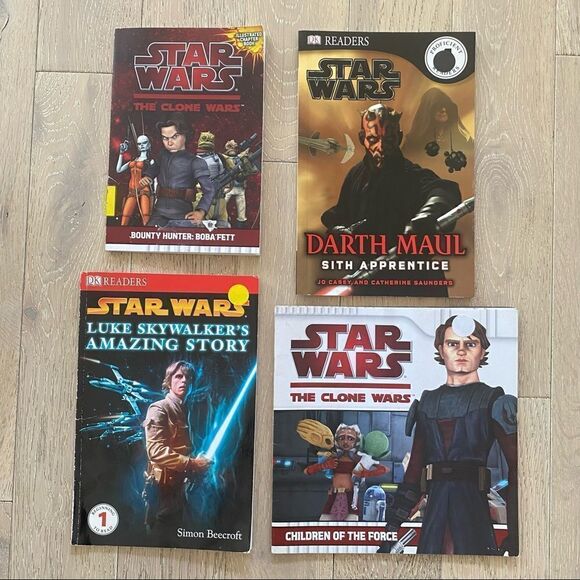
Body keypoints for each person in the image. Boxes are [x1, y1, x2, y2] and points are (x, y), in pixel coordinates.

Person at [378, 316, 518, 555]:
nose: (461, 351)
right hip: (436, 510)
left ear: (482, 351)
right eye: (453, 344)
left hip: (472, 508)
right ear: (441, 350)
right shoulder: (427, 403)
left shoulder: (494, 400)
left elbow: (518, 470)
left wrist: (516, 534)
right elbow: (414, 474)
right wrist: (392, 527)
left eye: (470, 344)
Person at [320, 104, 462, 296]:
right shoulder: (356, 175)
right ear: (362, 139)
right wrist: (338, 230)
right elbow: (340, 214)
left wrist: (428, 214)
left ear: (399, 138)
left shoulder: (411, 175)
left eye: (388, 139)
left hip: (413, 282)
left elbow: (442, 191)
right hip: (369, 281)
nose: (381, 147)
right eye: (373, 139)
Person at [143, 361, 211, 537]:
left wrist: (199, 461)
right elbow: (155, 450)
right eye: (178, 376)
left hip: (181, 490)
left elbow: (184, 447)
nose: (184, 381)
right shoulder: (159, 408)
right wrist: (193, 463)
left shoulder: (185, 410)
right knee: (160, 538)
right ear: (169, 381)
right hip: (163, 492)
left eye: (188, 378)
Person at [139, 116, 216, 227]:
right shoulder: (162, 155)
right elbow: (154, 168)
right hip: (159, 213)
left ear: (185, 135)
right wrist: (148, 176)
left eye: (174, 137)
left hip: (183, 215)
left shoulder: (195, 162)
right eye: (165, 138)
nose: (169, 142)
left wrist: (201, 211)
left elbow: (209, 190)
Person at [304, 424, 387, 521]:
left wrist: (367, 474)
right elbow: (307, 471)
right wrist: (324, 465)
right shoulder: (332, 457)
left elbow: (384, 469)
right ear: (337, 440)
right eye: (342, 438)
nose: (346, 442)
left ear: (356, 441)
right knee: (324, 524)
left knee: (351, 524)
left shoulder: (358, 459)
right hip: (333, 496)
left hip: (351, 498)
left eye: (350, 438)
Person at [403, 87, 473, 160]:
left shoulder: (463, 138)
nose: (443, 110)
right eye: (437, 106)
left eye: (446, 105)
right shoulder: (415, 142)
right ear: (428, 111)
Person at [116, 134, 153, 225]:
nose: (142, 145)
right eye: (139, 144)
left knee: (145, 215)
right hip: (132, 191)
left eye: (144, 143)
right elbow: (118, 170)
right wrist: (121, 154)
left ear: (149, 144)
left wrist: (154, 193)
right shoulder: (133, 159)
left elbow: (154, 177)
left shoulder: (150, 161)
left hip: (144, 190)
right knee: (125, 215)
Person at [223, 139, 248, 228]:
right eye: (230, 147)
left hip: (239, 186)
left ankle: (241, 225)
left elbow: (246, 170)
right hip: (228, 186)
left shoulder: (240, 158)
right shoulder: (224, 159)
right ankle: (223, 221)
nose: (232, 149)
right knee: (222, 206)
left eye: (234, 147)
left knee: (242, 209)